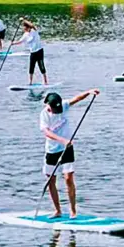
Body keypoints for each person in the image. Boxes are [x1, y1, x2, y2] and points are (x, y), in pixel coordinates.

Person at [40, 89, 100, 219]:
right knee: (51, 181)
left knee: (68, 178)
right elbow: (46, 133)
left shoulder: (63, 105)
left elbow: (77, 98)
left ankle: (73, 212)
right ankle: (58, 211)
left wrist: (89, 92)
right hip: (52, 151)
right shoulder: (44, 115)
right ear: (48, 106)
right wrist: (63, 140)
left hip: (67, 149)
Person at [15, 19, 48, 86]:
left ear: (28, 27)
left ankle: (45, 82)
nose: (24, 29)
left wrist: (24, 20)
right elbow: (20, 41)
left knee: (41, 66)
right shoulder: (25, 35)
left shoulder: (34, 31)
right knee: (31, 67)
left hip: (39, 51)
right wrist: (12, 43)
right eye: (23, 28)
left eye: (25, 28)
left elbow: (32, 25)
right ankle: (30, 82)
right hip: (33, 52)